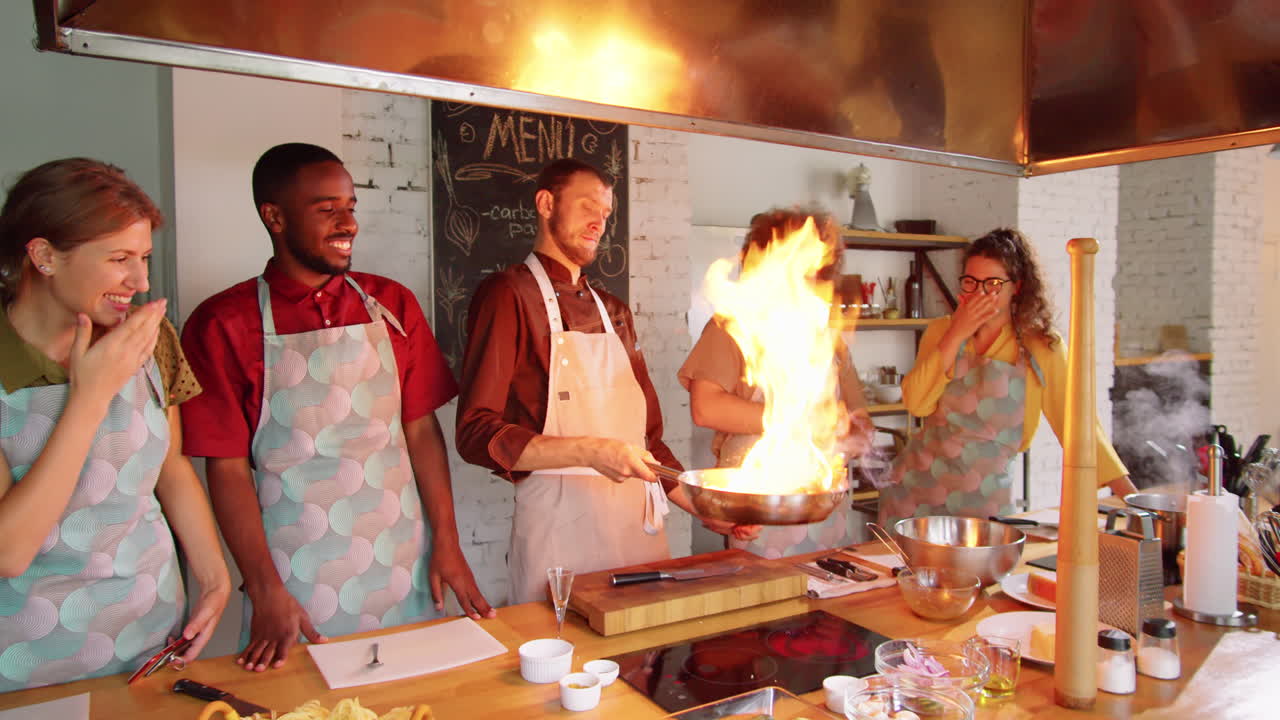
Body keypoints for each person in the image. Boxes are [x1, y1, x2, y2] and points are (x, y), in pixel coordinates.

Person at [180, 143, 492, 673]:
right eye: (327, 209)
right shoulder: (221, 324)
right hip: (297, 581)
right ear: (273, 217)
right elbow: (227, 471)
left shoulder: (392, 304)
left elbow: (420, 432)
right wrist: (263, 588)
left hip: (406, 565)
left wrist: (449, 543)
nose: (347, 222)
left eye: (350, 206)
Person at [455, 158, 756, 604]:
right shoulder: (508, 295)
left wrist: (710, 510)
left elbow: (648, 443)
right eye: (587, 206)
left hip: (639, 539)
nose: (599, 222)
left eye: (606, 213)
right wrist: (591, 451)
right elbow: (475, 432)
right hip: (561, 542)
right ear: (545, 203)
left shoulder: (614, 311)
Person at [0, 158, 230, 691]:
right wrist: (91, 394)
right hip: (24, 667)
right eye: (119, 259)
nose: (141, 280)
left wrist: (214, 576)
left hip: (149, 646)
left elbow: (169, 466)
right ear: (43, 256)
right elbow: (9, 552)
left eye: (145, 257)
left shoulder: (151, 337)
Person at [879, 228, 1137, 529]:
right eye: (971, 282)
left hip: (983, 500)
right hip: (914, 492)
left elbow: (1077, 425)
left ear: (1017, 287)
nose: (980, 293)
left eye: (993, 284)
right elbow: (917, 403)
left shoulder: (1041, 346)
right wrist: (957, 332)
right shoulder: (940, 331)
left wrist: (1130, 497)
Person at [678, 210, 874, 558]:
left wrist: (854, 434)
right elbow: (706, 407)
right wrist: (799, 422)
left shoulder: (826, 333)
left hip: (822, 506)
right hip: (756, 508)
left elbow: (859, 418)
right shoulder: (732, 326)